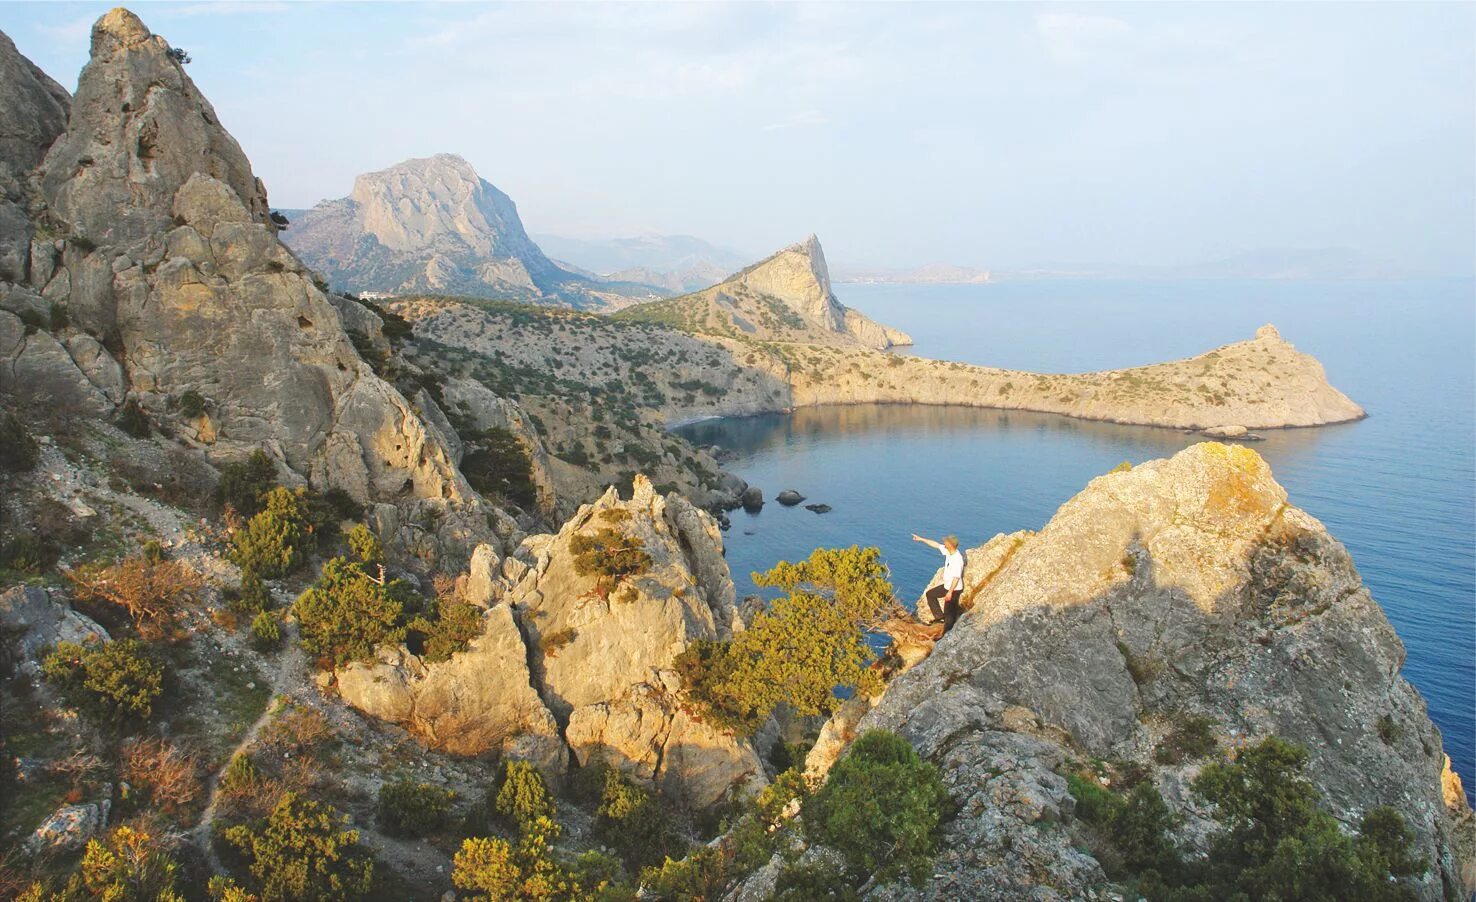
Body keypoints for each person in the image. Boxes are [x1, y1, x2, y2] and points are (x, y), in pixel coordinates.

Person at [912, 533, 965, 630]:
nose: (944, 542)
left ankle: (946, 634)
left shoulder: (957, 559)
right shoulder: (949, 552)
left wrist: (950, 592)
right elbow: (935, 544)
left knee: (949, 613)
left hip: (954, 589)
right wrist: (921, 539)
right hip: (947, 586)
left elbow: (956, 577)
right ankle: (939, 618)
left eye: (946, 541)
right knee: (930, 594)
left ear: (950, 544)